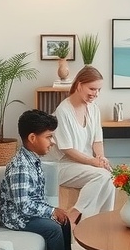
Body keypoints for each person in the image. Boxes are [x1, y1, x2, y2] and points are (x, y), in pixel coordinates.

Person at [0, 109, 97, 250]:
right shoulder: (20, 166)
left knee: (64, 218)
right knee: (53, 228)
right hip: (17, 217)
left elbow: (34, 198)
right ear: (32, 138)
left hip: (27, 211)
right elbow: (23, 206)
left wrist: (54, 210)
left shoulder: (32, 159)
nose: (53, 142)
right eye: (49, 137)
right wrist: (51, 212)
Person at [49, 66, 115, 227]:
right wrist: (93, 162)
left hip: (82, 163)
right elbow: (67, 149)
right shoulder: (63, 111)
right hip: (62, 165)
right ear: (79, 85)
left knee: (109, 176)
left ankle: (103, 222)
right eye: (92, 88)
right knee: (101, 176)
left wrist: (101, 158)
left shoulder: (94, 109)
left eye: (98, 89)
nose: (96, 94)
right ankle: (75, 215)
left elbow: (97, 141)